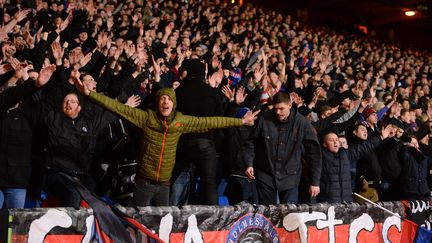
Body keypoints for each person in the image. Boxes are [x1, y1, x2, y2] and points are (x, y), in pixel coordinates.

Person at [72, 71, 260, 206]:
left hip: (164, 185)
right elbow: (116, 107)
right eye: (161, 99)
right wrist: (89, 94)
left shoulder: (181, 121)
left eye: (168, 99)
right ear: (157, 103)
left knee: (163, 225)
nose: (165, 102)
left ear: (174, 103)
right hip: (143, 182)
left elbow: (212, 121)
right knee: (139, 224)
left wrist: (240, 121)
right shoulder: (146, 118)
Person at [243, 92, 321, 204]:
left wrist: (315, 182)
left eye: (281, 108)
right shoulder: (264, 119)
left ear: (290, 105)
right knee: (267, 214)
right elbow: (250, 142)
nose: (278, 112)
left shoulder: (301, 123)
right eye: (275, 109)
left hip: (290, 177)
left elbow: (314, 153)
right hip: (266, 175)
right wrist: (249, 163)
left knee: (289, 215)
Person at [0, 65, 56, 209]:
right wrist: (33, 84)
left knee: (15, 229)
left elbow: (47, 104)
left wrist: (64, 77)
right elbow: (8, 97)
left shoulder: (27, 116)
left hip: (17, 182)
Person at [318, 125, 392, 203]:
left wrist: (380, 137)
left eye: (336, 139)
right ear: (324, 144)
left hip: (346, 202)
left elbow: (364, 147)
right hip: (328, 203)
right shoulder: (319, 157)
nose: (335, 142)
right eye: (331, 140)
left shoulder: (345, 154)